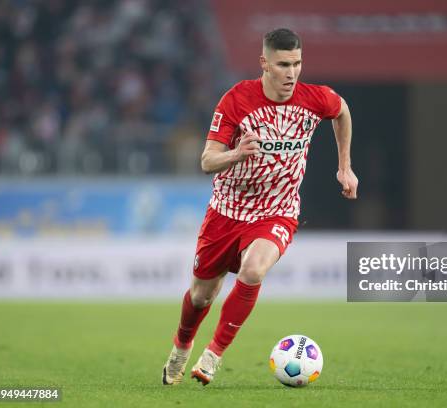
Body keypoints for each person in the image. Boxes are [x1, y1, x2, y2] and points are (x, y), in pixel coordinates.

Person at [162, 28, 358, 386]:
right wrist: (237, 153)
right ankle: (181, 345)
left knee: (253, 270)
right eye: (283, 64)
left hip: (277, 211)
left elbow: (342, 111)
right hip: (226, 211)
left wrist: (345, 166)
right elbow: (207, 161)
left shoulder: (315, 98)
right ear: (264, 63)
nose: (292, 73)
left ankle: (213, 355)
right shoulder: (237, 100)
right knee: (201, 294)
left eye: (297, 64)